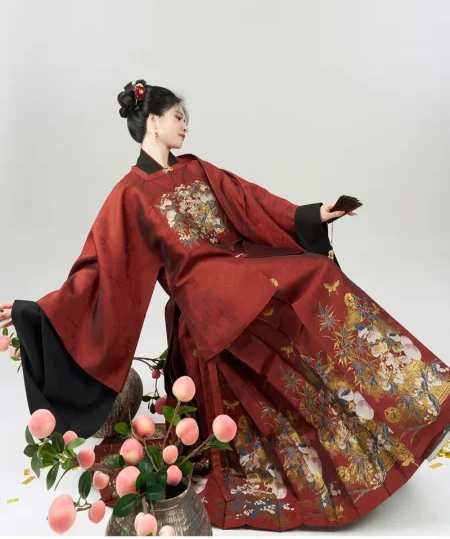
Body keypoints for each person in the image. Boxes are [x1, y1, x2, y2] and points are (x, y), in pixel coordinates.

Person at [1, 79, 449, 532]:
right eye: (178, 117)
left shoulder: (196, 168)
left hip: (236, 270)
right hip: (203, 295)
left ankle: (399, 397)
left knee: (313, 272)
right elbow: (99, 268)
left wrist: (313, 214)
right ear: (153, 121)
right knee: (295, 281)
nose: (185, 126)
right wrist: (34, 312)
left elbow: (250, 203)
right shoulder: (129, 195)